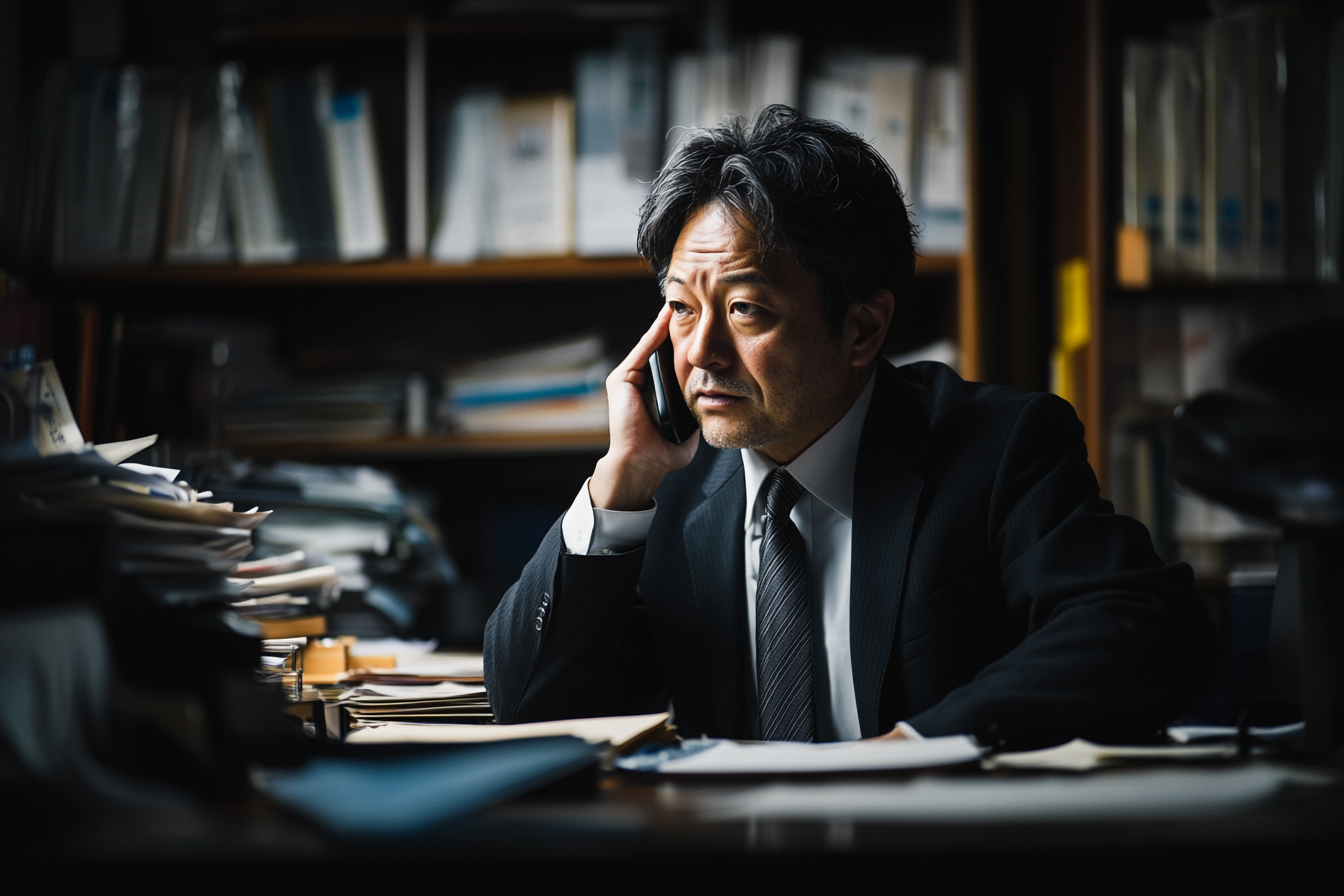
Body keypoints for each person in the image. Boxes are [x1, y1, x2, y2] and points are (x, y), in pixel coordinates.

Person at [484, 105, 1214, 749]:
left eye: (745, 310)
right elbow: (529, 703)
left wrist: (920, 745)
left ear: (863, 327)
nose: (700, 352)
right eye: (681, 308)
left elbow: (1142, 625)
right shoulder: (665, 492)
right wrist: (618, 484)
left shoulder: (998, 449)